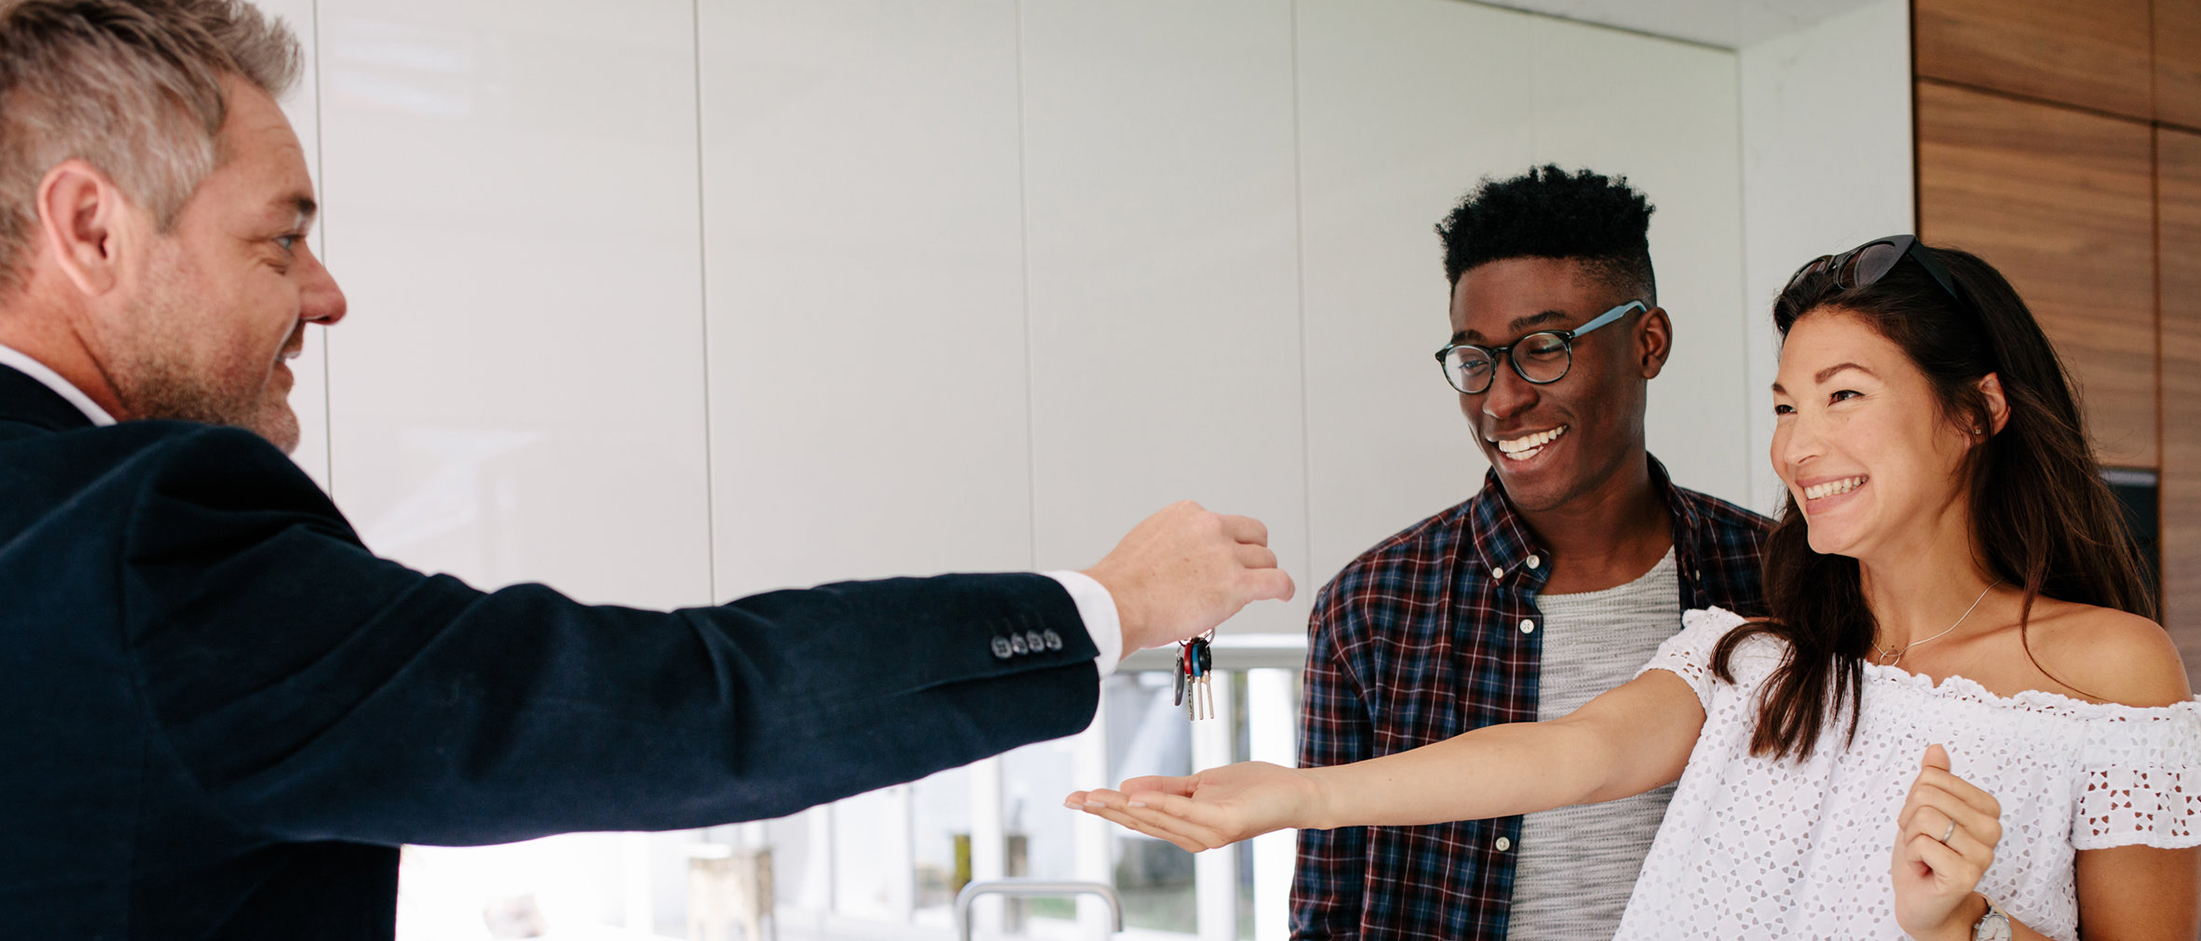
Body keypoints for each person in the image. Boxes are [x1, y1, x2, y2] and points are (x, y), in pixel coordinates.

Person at [0, 1, 1293, 938]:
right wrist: (1103, 603)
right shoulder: (137, 541)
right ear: (92, 228)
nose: (328, 296)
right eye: (281, 242)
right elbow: (672, 703)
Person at [1072, 236, 2201, 940]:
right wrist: (1288, 795)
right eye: (1781, 404)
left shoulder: (2104, 669)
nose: (1797, 445)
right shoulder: (1760, 660)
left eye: (1842, 395)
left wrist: (1951, 928)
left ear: (1976, 412)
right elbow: (1562, 753)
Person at [1292, 165, 1768, 940]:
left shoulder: (1776, 577)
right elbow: (1329, 915)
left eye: (1542, 347)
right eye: (1474, 359)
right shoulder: (1371, 607)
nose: (1500, 400)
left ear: (1647, 342)